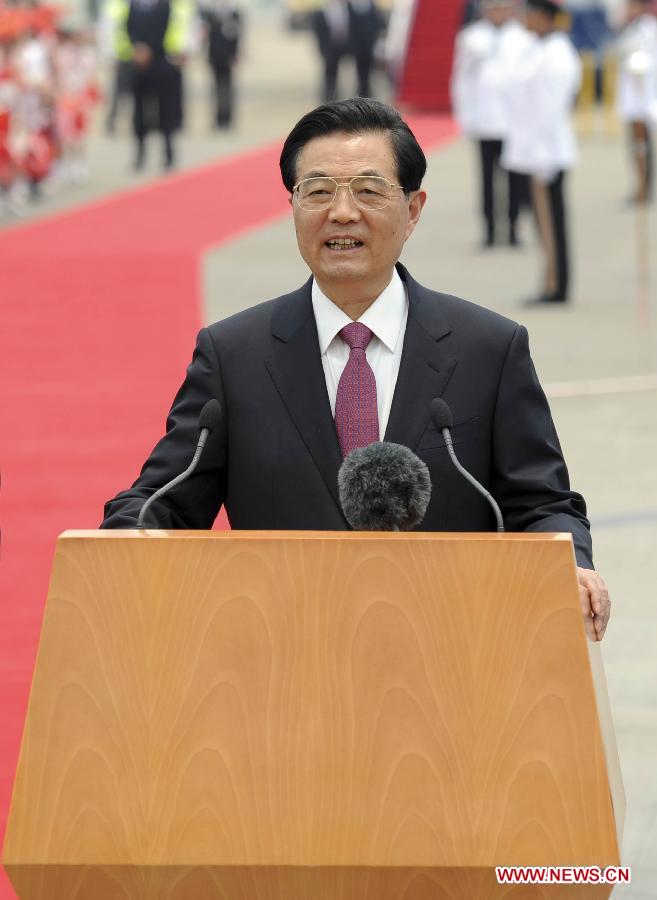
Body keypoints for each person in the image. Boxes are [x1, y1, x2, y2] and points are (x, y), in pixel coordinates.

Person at [101, 97, 610, 641]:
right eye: (318, 191)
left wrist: (570, 562)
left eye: (369, 191)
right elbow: (163, 500)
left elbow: (541, 503)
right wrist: (124, 540)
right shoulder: (233, 356)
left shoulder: (488, 348)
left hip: (454, 662)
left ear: (413, 209)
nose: (342, 213)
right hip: (284, 668)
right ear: (293, 205)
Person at [502, 0, 582, 304]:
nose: (525, 19)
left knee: (552, 222)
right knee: (543, 221)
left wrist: (543, 158)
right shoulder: (538, 49)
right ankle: (551, 281)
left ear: (543, 17)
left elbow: (550, 111)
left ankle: (556, 286)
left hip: (547, 154)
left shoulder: (557, 54)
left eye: (530, 14)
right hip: (535, 152)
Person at [451, 0, 532, 247]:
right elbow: (461, 79)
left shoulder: (523, 37)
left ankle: (513, 228)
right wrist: (464, 117)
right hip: (484, 120)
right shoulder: (471, 37)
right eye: (493, 8)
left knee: (515, 180)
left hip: (513, 123)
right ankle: (488, 229)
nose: (498, 13)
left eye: (502, 7)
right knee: (487, 179)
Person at [616, 0, 657, 204]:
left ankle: (644, 187)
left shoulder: (649, 28)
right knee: (636, 143)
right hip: (631, 94)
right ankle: (641, 184)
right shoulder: (630, 27)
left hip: (643, 94)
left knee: (641, 143)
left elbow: (642, 62)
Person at [201, 0, 241, 129]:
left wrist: (235, 54)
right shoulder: (211, 15)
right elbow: (207, 38)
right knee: (216, 89)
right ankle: (218, 118)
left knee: (227, 89)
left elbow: (236, 36)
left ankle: (227, 118)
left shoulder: (234, 14)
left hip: (228, 58)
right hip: (215, 57)